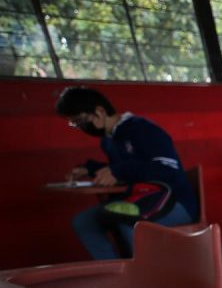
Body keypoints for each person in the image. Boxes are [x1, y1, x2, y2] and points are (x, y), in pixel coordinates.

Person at [57, 86, 198, 259]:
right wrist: (90, 169)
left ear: (99, 111)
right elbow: (128, 170)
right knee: (84, 222)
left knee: (124, 219)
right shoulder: (108, 141)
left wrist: (118, 171)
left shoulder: (142, 128)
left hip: (174, 202)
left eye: (80, 121)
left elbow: (166, 168)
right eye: (75, 124)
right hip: (139, 200)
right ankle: (114, 271)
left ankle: (146, 277)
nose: (81, 127)